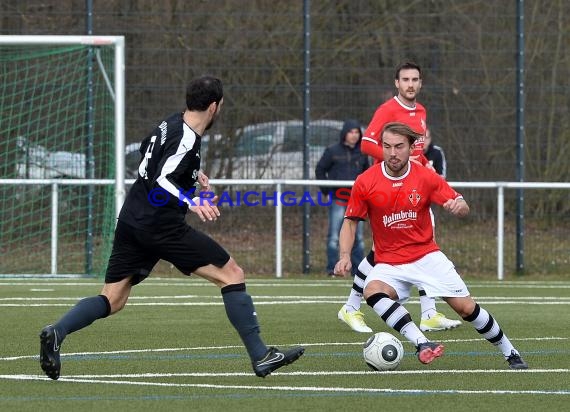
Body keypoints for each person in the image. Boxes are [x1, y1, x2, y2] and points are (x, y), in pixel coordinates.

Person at [39, 75, 304, 380]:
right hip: (160, 225)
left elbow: (148, 156)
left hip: (132, 218)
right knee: (232, 274)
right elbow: (161, 178)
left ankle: (56, 332)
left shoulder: (171, 123)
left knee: (113, 299)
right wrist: (191, 201)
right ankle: (261, 356)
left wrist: (194, 174)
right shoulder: (187, 137)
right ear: (214, 107)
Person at [335, 122, 528, 369]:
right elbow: (350, 223)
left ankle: (510, 351)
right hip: (389, 262)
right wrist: (344, 255)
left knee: (466, 309)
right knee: (372, 291)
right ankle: (422, 343)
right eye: (386, 147)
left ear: (411, 147)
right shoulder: (366, 181)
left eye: (398, 147)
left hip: (426, 256)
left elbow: (459, 202)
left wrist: (460, 207)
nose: (392, 153)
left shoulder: (425, 176)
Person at [337, 61, 461, 333]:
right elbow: (368, 144)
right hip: (389, 186)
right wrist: (398, 160)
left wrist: (423, 163)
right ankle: (352, 306)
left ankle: (428, 312)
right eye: (405, 79)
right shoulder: (388, 109)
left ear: (421, 82)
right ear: (397, 83)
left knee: (423, 247)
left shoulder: (420, 111)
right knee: (383, 253)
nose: (410, 84)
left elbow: (414, 148)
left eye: (415, 79)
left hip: (414, 185)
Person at [315, 119, 369, 277]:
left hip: (357, 200)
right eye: (351, 132)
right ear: (344, 133)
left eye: (356, 132)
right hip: (337, 198)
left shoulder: (363, 153)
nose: (354, 135)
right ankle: (333, 269)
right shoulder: (332, 151)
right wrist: (327, 190)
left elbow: (368, 175)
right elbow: (320, 170)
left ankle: (359, 271)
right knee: (333, 236)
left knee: (358, 237)